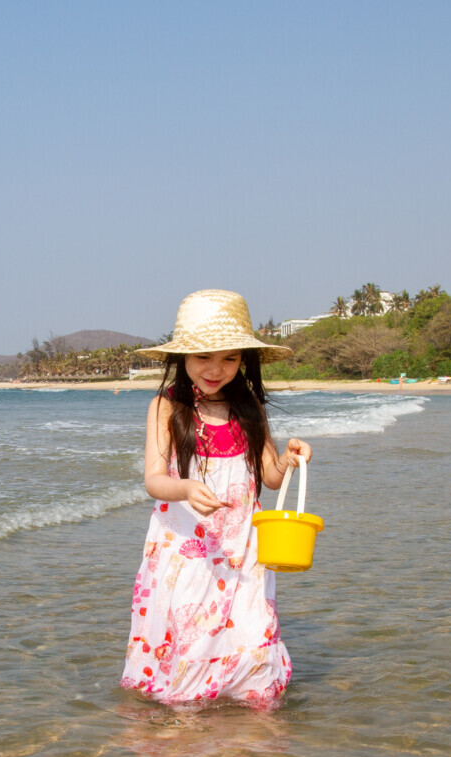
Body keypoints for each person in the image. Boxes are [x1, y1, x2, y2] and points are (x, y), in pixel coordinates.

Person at [121, 289, 312, 710]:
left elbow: (269, 477)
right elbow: (154, 480)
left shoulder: (250, 407)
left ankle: (251, 730)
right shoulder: (166, 406)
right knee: (191, 629)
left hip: (243, 547)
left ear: (244, 360)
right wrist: (186, 487)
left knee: (249, 627)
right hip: (187, 549)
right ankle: (188, 730)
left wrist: (290, 459)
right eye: (203, 356)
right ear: (182, 358)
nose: (215, 369)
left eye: (230, 358)